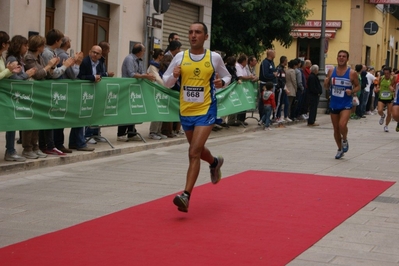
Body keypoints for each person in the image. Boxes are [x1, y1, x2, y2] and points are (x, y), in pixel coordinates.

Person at [163, 22, 231, 212]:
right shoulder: (179, 57)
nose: (193, 35)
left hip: (206, 109)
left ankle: (185, 195)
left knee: (193, 152)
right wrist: (174, 76)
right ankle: (215, 162)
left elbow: (228, 77)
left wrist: (221, 82)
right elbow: (166, 82)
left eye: (198, 32)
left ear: (205, 36)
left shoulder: (214, 57)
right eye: (191, 32)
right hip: (186, 111)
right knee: (198, 150)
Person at [22, 34, 59, 159]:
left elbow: (47, 74)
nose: (44, 47)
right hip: (30, 92)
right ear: (39, 46)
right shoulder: (29, 58)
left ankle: (35, 146)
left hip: (39, 93)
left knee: (37, 121)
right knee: (30, 121)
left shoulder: (39, 58)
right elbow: (38, 74)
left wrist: (52, 66)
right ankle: (27, 148)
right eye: (43, 45)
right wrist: (48, 66)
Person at [324, 50, 360, 159]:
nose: (341, 58)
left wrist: (352, 91)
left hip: (346, 103)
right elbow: (327, 87)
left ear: (347, 59)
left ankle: (344, 139)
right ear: (337, 58)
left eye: (344, 56)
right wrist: (326, 83)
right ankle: (340, 149)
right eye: (339, 56)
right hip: (334, 103)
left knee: (342, 125)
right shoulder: (331, 71)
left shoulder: (352, 73)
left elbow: (358, 86)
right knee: (335, 129)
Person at [118, 43, 156, 141]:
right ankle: (121, 134)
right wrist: (145, 76)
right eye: (143, 51)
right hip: (127, 88)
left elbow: (141, 72)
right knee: (126, 111)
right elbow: (131, 74)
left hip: (135, 89)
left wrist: (147, 75)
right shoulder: (129, 59)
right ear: (139, 52)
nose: (144, 53)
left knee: (133, 110)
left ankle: (131, 132)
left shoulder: (139, 60)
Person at [1, 32, 25, 162]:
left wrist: (11, 72)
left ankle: (10, 150)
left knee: (10, 120)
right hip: (4, 93)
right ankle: (10, 150)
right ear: (3, 44)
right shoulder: (10, 58)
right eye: (7, 41)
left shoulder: (2, 57)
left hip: (5, 94)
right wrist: (9, 71)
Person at [147, 48, 167, 140]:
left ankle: (158, 131)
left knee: (161, 111)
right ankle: (153, 131)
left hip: (161, 91)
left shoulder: (160, 66)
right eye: (162, 55)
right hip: (155, 91)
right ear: (159, 56)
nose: (163, 57)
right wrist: (166, 86)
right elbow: (157, 79)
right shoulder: (152, 66)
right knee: (157, 110)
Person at [375, 66, 394, 132]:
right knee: (379, 110)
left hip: (390, 97)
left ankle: (386, 126)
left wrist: (393, 89)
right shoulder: (381, 78)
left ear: (390, 73)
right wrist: (377, 89)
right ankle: (382, 115)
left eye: (387, 73)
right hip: (382, 97)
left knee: (389, 113)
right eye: (385, 73)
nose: (386, 75)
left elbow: (394, 87)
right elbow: (378, 85)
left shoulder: (392, 79)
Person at [259, 50, 276, 120]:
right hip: (265, 85)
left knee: (270, 102)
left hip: (271, 85)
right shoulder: (265, 63)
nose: (275, 54)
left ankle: (267, 118)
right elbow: (265, 75)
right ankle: (262, 118)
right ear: (271, 54)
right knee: (264, 101)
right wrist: (273, 75)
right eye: (274, 53)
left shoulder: (272, 62)